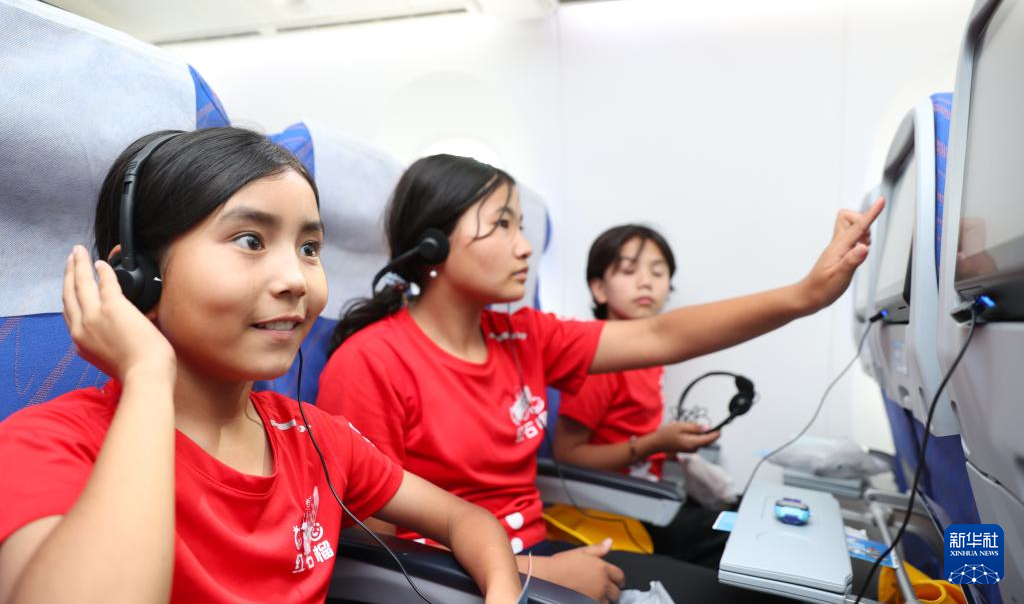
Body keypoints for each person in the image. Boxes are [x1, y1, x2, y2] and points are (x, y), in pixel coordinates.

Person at [316, 153, 883, 603]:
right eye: (502, 225)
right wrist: (531, 572)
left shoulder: (522, 335)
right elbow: (373, 548)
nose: (525, 246)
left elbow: (660, 335)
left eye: (522, 225)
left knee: (764, 591)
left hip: (536, 553)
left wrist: (804, 296)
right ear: (432, 246)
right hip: (459, 582)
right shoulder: (371, 363)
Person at [0, 129, 522, 604]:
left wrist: (502, 592)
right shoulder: (48, 443)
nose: (295, 279)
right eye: (250, 241)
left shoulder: (317, 439)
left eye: (309, 248)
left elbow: (466, 519)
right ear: (137, 279)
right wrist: (147, 374)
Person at [553, 224, 728, 568]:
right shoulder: (599, 362)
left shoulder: (648, 358)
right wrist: (654, 443)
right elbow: (567, 455)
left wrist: (672, 447)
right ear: (599, 289)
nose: (646, 282)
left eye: (658, 272)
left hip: (647, 494)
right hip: (613, 507)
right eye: (629, 271)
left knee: (737, 519)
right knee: (734, 541)